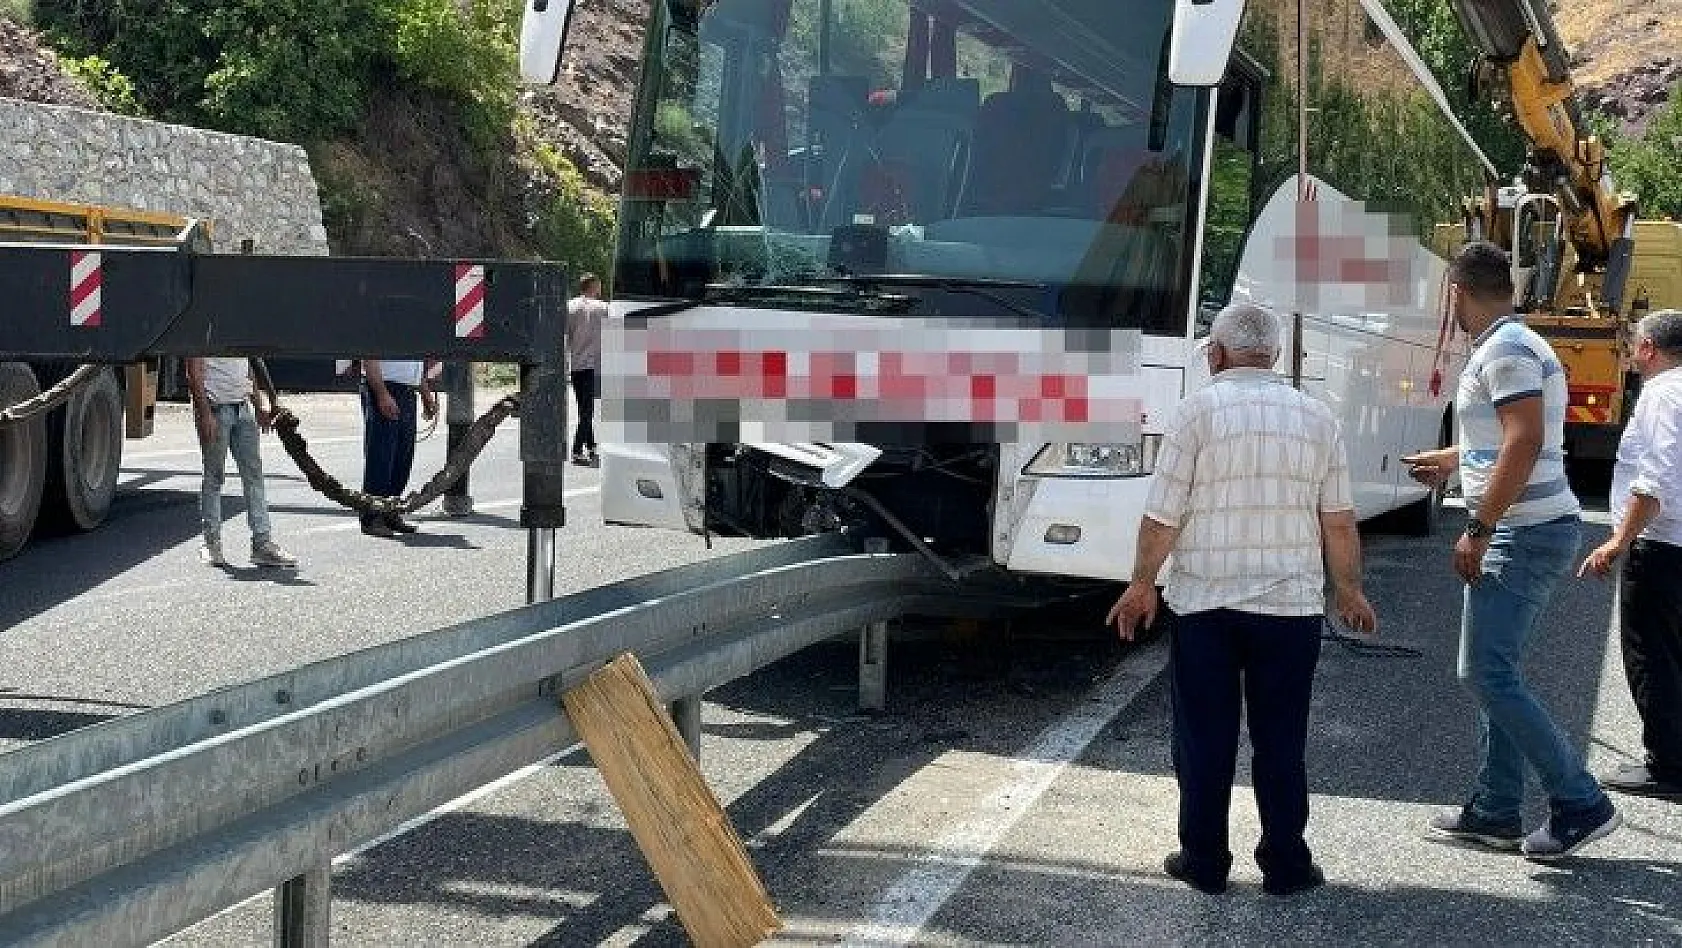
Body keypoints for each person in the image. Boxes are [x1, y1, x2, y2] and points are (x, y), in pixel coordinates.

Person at [1108, 302, 1377, 897]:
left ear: (1216, 355)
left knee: (1205, 737)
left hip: (1206, 605)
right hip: (1290, 610)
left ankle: (1204, 860)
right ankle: (1285, 864)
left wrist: (1141, 584)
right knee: (1281, 740)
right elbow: (1337, 519)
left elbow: (1163, 515)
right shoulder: (1317, 418)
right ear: (1276, 356)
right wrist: (1350, 590)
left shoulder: (1193, 414)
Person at [1404, 241, 1620, 858]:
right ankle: (1497, 807)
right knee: (1496, 672)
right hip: (1526, 526)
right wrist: (1452, 460)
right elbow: (1509, 438)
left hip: (1521, 532)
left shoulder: (1506, 350)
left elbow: (1522, 443)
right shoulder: (1513, 345)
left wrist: (1478, 525)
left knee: (1485, 671)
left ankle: (1581, 801)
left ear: (1456, 292)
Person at [1577, 309, 1682, 801]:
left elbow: (1654, 479)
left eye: (1635, 345)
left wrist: (1618, 540)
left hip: (1661, 545)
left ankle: (1667, 764)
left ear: (1648, 349)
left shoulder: (1662, 395)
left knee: (1651, 654)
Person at [186, 356, 297, 568]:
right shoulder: (203, 328)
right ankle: (211, 545)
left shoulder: (237, 328)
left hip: (242, 407)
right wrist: (204, 413)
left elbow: (248, 368)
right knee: (214, 476)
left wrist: (258, 405)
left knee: (254, 475)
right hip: (216, 408)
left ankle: (262, 544)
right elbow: (194, 371)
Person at [360, 359, 437, 538]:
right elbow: (369, 357)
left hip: (407, 390)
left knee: (402, 456)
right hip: (385, 386)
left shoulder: (409, 331)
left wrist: (425, 391)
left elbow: (414, 362)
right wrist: (381, 394)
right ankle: (372, 516)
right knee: (381, 455)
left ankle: (390, 512)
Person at [567, 273, 607, 466]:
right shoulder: (603, 308)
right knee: (587, 411)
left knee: (584, 408)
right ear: (594, 286)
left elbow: (565, 336)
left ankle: (591, 446)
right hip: (593, 366)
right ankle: (576, 450)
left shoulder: (570, 306)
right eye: (599, 286)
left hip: (575, 366)